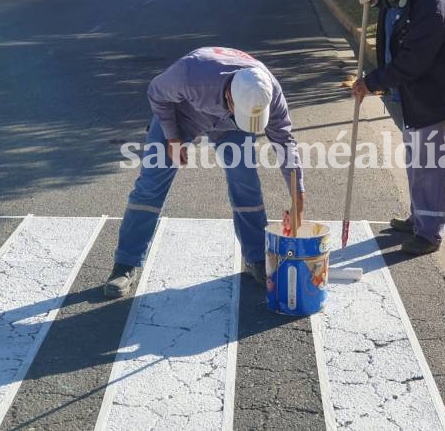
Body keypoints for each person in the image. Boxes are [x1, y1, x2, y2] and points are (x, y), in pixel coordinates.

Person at [104, 47, 305, 298]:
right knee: (151, 183)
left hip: (232, 126)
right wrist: (172, 137)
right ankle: (126, 262)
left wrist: (298, 199)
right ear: (231, 98)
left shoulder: (268, 92)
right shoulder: (192, 72)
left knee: (246, 183)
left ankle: (256, 258)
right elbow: (156, 92)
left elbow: (285, 143)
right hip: (182, 114)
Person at [353, 0, 445, 257]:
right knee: (416, 160)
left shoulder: (433, 7)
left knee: (431, 164)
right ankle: (420, 217)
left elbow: (411, 63)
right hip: (412, 92)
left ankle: (429, 233)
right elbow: (395, 4)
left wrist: (370, 83)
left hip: (434, 93)